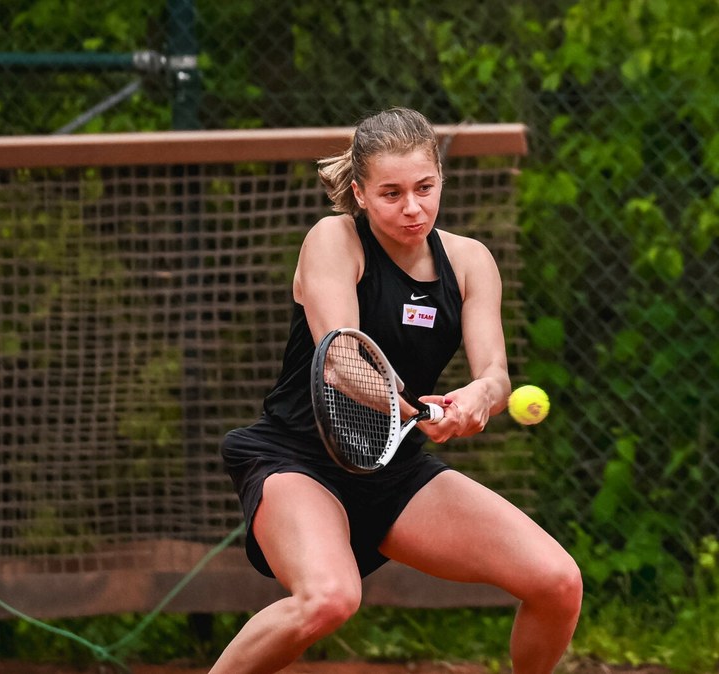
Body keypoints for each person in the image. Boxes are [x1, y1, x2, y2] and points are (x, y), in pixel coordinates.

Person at [214, 107, 583, 674]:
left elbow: (496, 374)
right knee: (330, 600)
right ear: (359, 193)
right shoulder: (333, 240)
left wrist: (473, 402)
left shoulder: (470, 261)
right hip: (296, 459)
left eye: (424, 188)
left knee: (557, 582)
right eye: (390, 193)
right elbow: (339, 359)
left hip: (395, 468)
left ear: (440, 179)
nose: (412, 208)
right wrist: (408, 407)